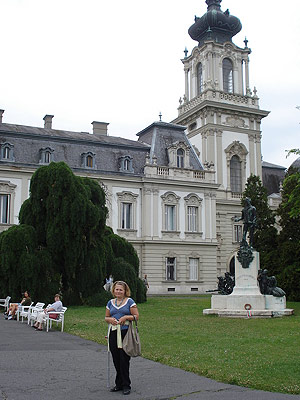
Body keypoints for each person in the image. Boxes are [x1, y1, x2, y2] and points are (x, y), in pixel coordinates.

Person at [105, 281, 139, 396]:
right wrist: (110, 320)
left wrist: (125, 317)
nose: (118, 291)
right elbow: (106, 317)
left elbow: (136, 317)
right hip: (113, 333)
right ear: (113, 290)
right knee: (116, 359)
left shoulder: (130, 302)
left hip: (125, 334)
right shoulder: (110, 302)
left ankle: (126, 385)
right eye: (116, 289)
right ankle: (118, 384)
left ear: (125, 291)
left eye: (121, 290)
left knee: (124, 360)